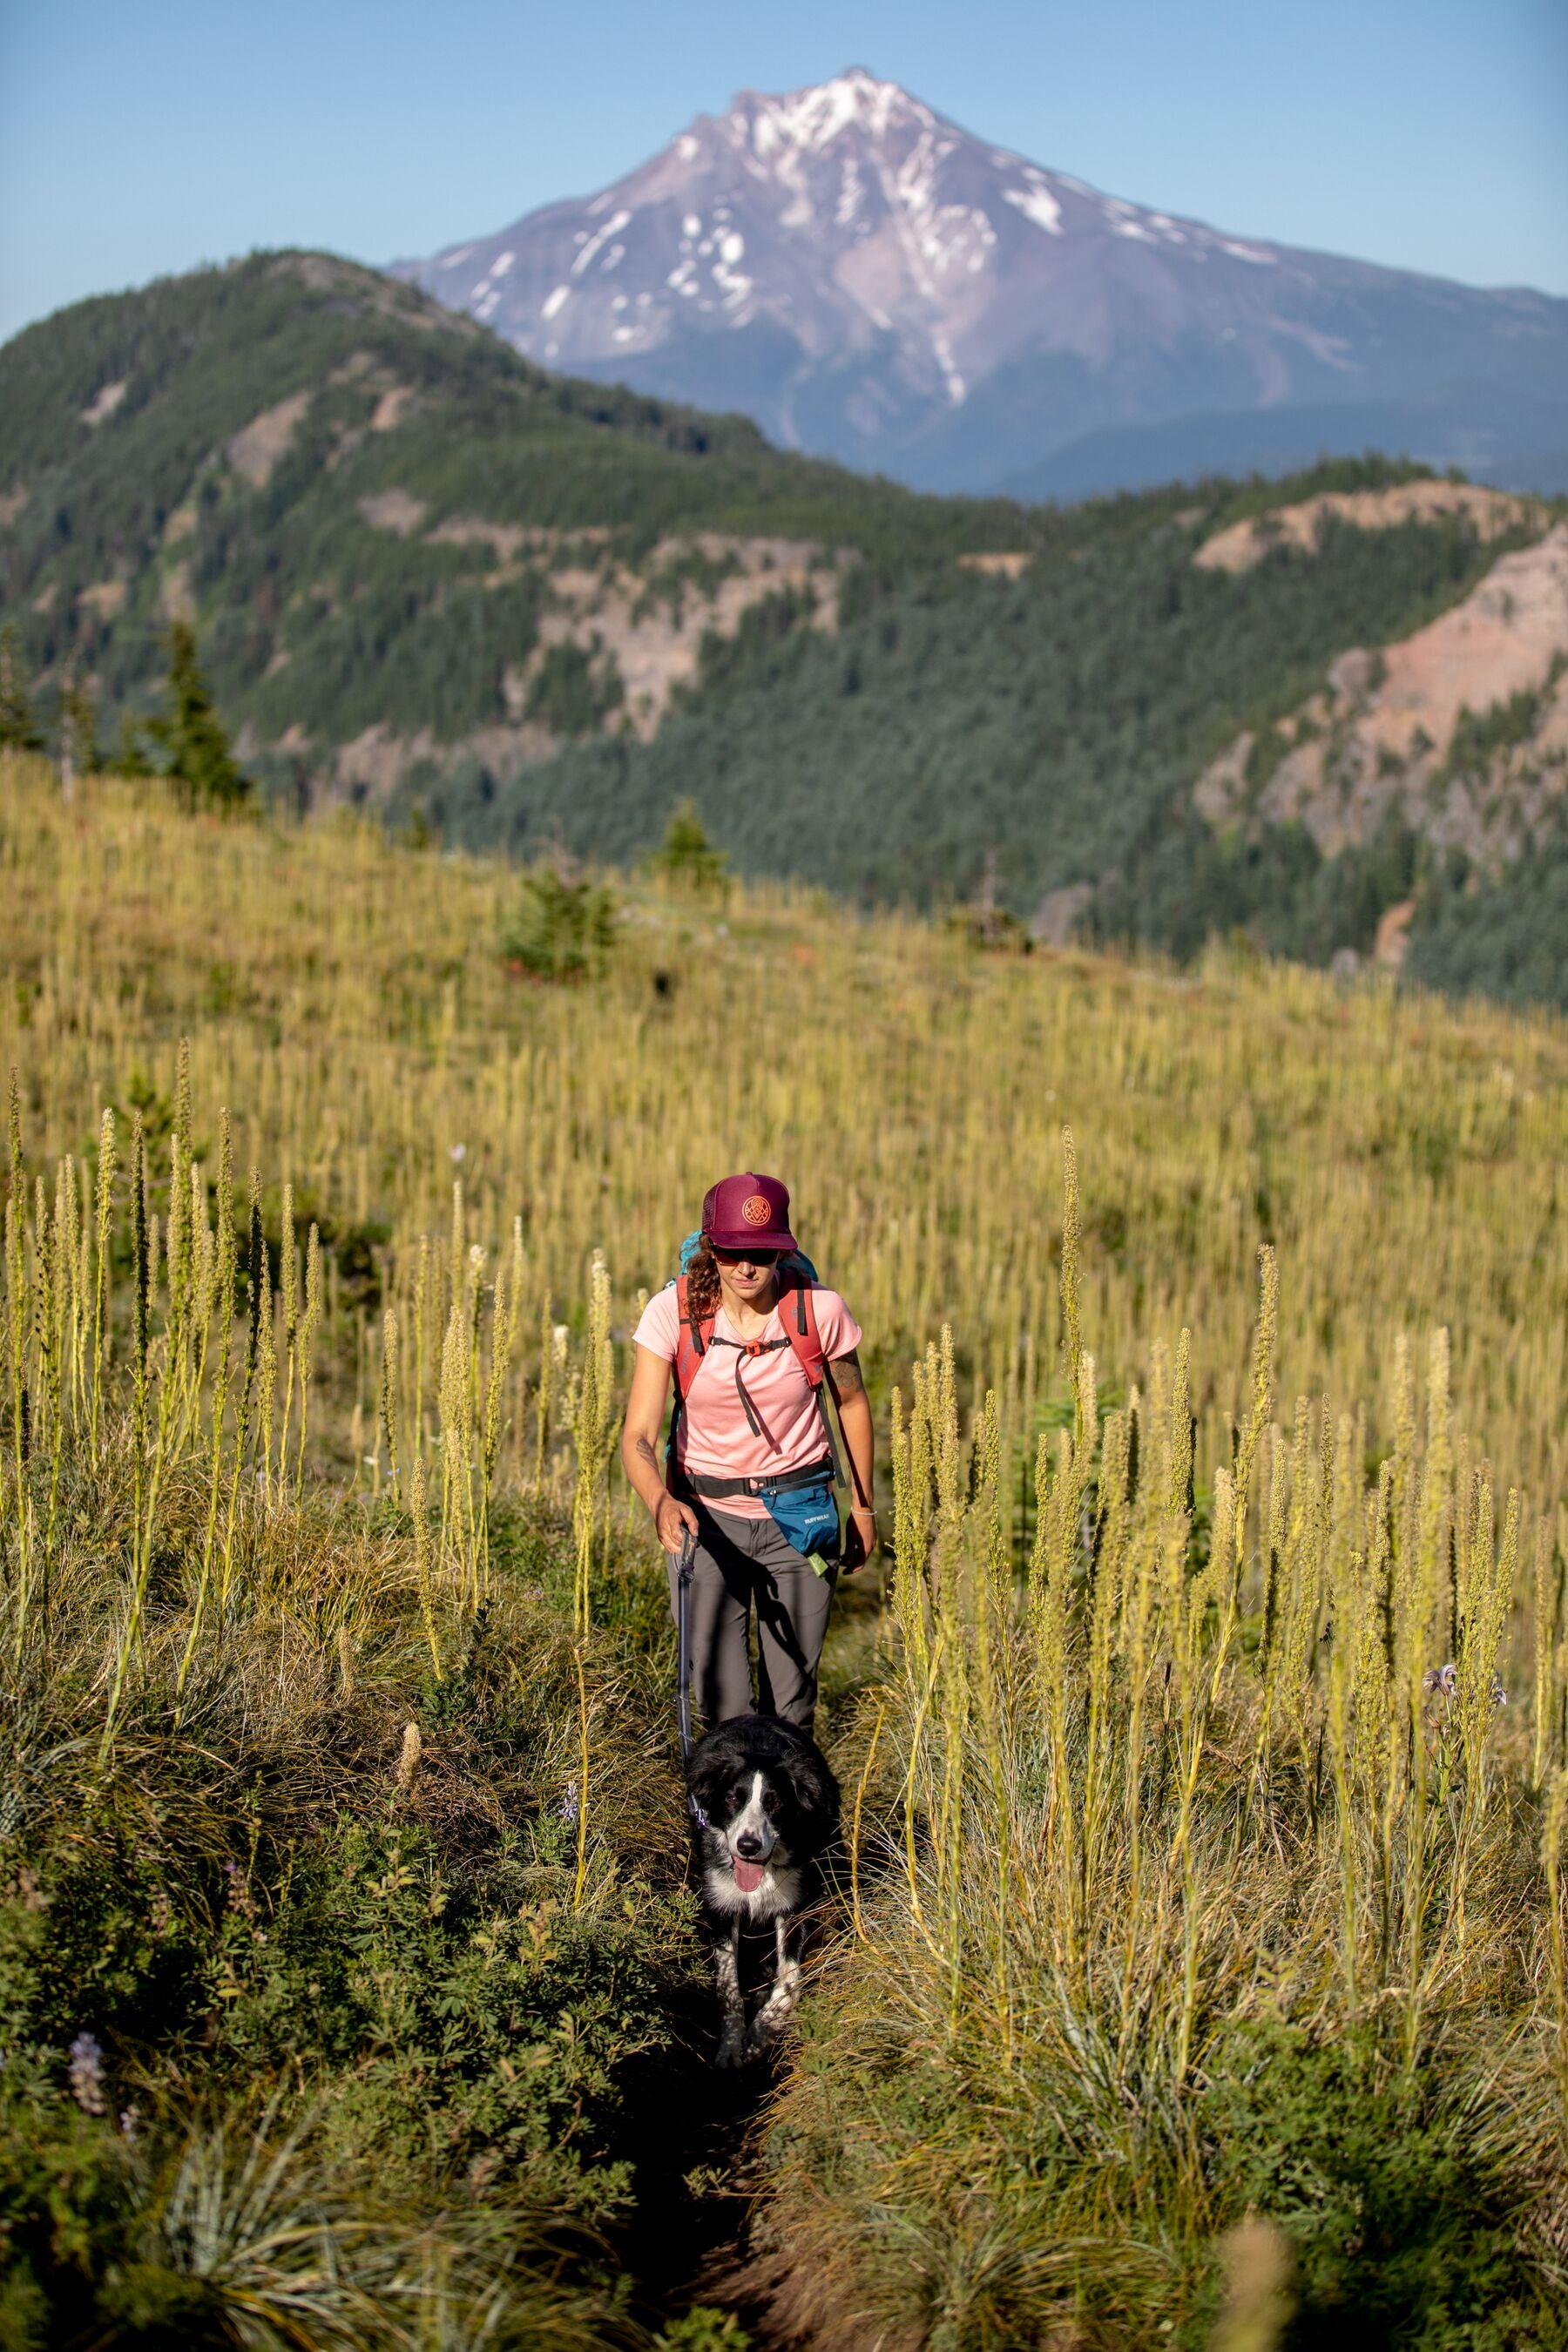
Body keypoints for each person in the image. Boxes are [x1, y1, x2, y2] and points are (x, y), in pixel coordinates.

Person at [620, 1172, 875, 1737]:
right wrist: (659, 1501)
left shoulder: (819, 1312)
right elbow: (636, 1434)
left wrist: (862, 1509)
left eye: (762, 1252)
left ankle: (789, 1823)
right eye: (732, 1251)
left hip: (801, 1524)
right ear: (712, 1247)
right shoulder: (673, 1313)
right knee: (723, 1709)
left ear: (782, 1249)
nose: (747, 1267)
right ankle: (727, 1827)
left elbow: (852, 1402)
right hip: (704, 1524)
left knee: (791, 1711)